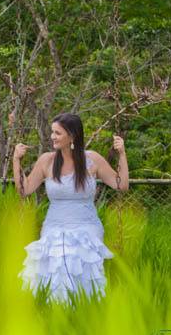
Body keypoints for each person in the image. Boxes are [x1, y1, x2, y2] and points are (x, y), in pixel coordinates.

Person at [12, 113, 128, 302]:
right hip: (55, 225)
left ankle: (84, 305)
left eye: (57, 133)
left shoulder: (92, 160)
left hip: (86, 225)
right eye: (52, 132)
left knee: (74, 253)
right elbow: (24, 191)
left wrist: (122, 154)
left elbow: (121, 185)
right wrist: (16, 160)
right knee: (58, 255)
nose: (52, 137)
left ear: (72, 136)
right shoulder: (47, 161)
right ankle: (55, 308)